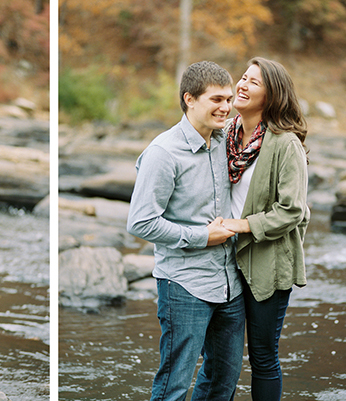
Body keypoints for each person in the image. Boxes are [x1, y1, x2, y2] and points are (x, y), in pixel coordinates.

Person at [127, 60, 244, 401]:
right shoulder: (163, 153)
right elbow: (140, 221)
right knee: (173, 385)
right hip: (183, 283)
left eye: (229, 98)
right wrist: (200, 237)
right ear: (189, 99)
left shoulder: (228, 142)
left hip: (230, 285)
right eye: (216, 100)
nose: (226, 107)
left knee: (223, 381)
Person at [221, 57, 310, 401]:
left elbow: (292, 210)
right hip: (223, 257)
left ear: (271, 96)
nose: (241, 85)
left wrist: (243, 225)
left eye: (253, 82)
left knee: (262, 357)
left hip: (268, 263)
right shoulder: (225, 132)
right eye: (242, 77)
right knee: (221, 358)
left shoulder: (285, 144)